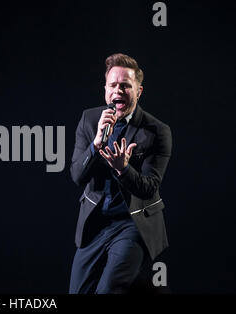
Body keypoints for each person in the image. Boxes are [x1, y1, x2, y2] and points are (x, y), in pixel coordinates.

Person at [69, 53, 172, 294]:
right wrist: (95, 145)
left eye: (125, 86)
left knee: (108, 290)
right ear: (105, 89)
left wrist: (123, 169)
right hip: (95, 224)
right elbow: (76, 175)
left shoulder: (157, 131)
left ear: (138, 91)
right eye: (113, 85)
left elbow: (148, 187)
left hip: (133, 224)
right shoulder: (89, 119)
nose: (118, 91)